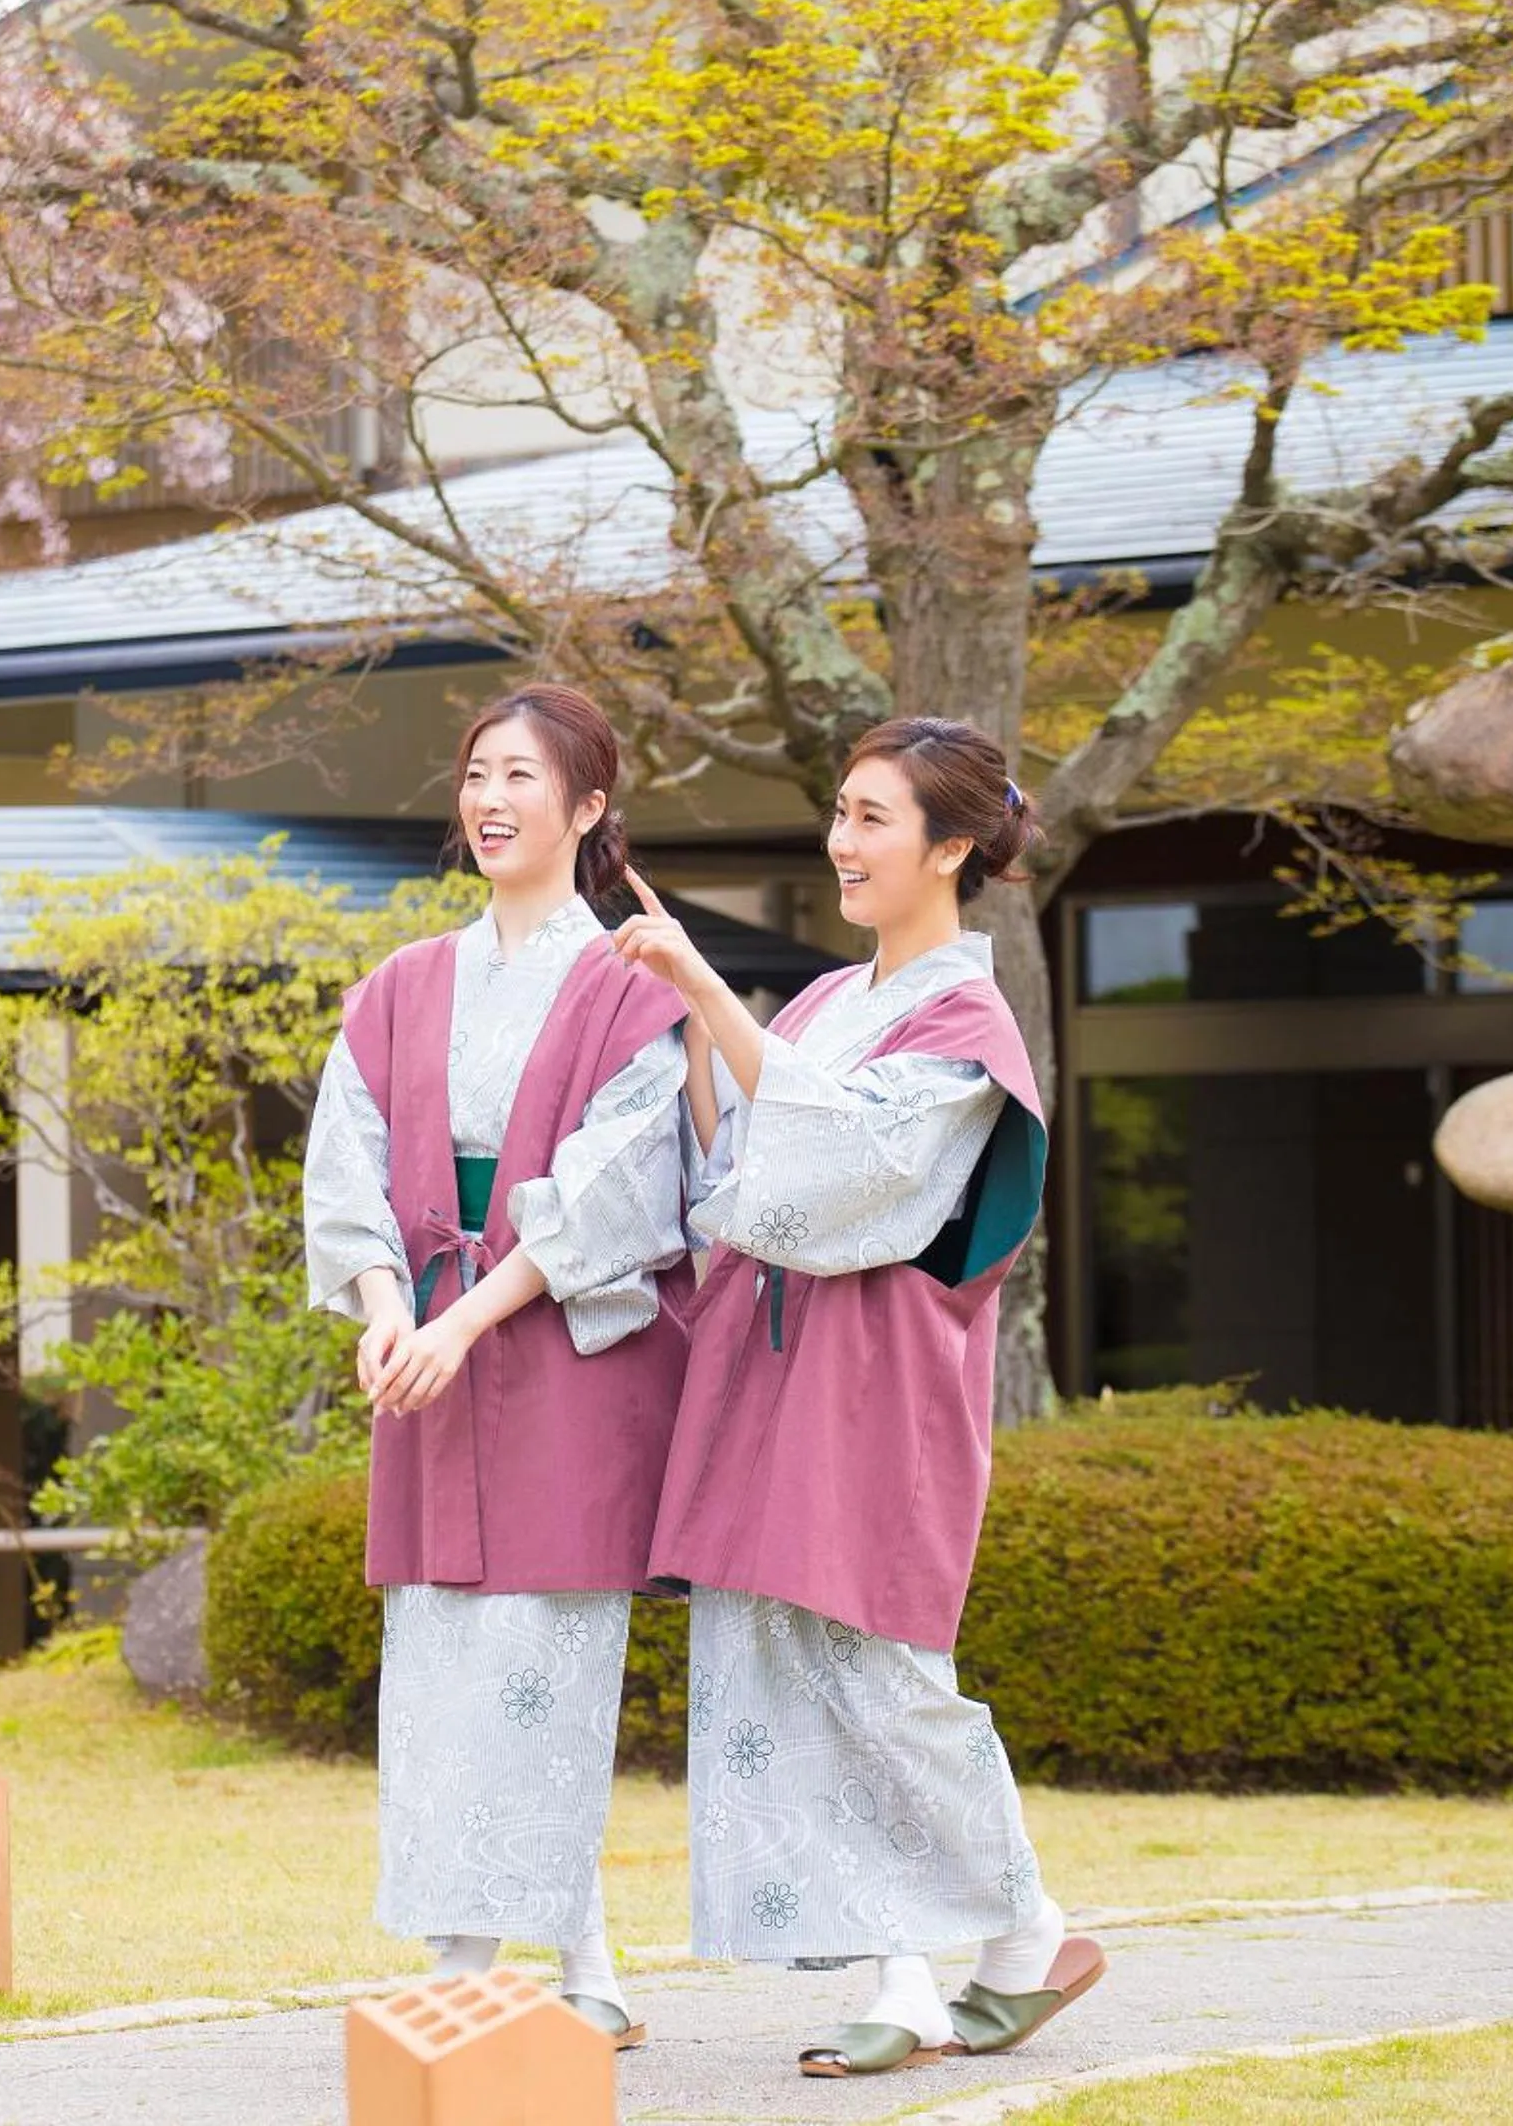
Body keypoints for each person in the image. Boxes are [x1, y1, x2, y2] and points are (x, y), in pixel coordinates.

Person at [611, 714, 1103, 2077]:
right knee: (788, 1670)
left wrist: (712, 995)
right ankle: (933, 1964)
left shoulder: (970, 1019)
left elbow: (852, 1174)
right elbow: (746, 1184)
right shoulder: (831, 1004)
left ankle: (1018, 1931)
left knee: (879, 1671)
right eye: (839, 811)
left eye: (873, 817)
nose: (842, 840)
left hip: (879, 1386)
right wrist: (691, 1043)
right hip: (776, 1376)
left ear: (953, 847)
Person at [303, 683, 693, 2048]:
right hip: (423, 1352)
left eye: (523, 776)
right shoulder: (405, 983)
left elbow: (618, 1191)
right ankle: (581, 1970)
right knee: (443, 1660)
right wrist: (381, 1308)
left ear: (587, 811)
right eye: (476, 773)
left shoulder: (626, 985)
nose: (490, 800)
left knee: (541, 1660)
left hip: (559, 1356)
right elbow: (347, 1164)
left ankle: (466, 1965)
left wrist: (463, 1320)